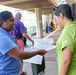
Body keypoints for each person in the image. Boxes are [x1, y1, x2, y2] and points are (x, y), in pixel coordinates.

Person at [0, 11, 47, 75]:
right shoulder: (2, 36)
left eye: (14, 20)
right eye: (11, 20)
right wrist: (38, 52)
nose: (14, 23)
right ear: (2, 22)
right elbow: (20, 55)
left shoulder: (5, 32)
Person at [53, 3, 76, 75]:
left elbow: (66, 62)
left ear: (61, 15)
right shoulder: (74, 27)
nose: (56, 22)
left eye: (56, 19)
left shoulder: (68, 31)